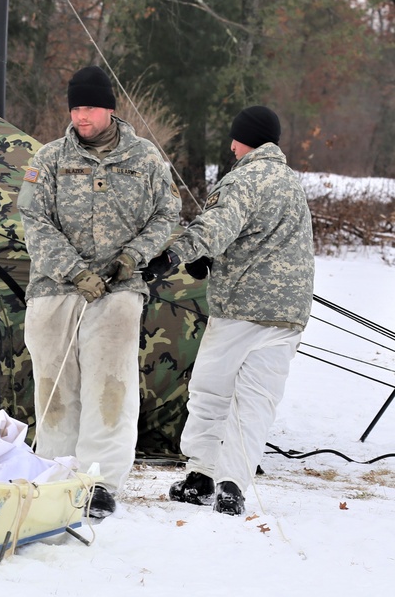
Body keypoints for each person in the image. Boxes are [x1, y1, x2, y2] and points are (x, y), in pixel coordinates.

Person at [17, 65, 181, 519]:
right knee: (54, 384)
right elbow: (34, 223)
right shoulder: (48, 159)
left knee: (111, 386)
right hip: (55, 289)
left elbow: (167, 216)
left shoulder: (145, 159)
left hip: (118, 290)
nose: (80, 116)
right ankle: (56, 474)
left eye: (88, 107)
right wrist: (73, 271)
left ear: (109, 108)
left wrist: (132, 258)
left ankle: (100, 481)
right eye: (74, 108)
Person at [144, 105, 315, 515]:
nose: (231, 148)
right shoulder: (292, 182)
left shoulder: (244, 178)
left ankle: (201, 476)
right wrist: (214, 259)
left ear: (246, 138)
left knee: (211, 392)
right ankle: (233, 486)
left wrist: (175, 255)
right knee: (256, 402)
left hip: (241, 310)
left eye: (235, 139)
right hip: (288, 315)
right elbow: (257, 238)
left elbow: (217, 225)